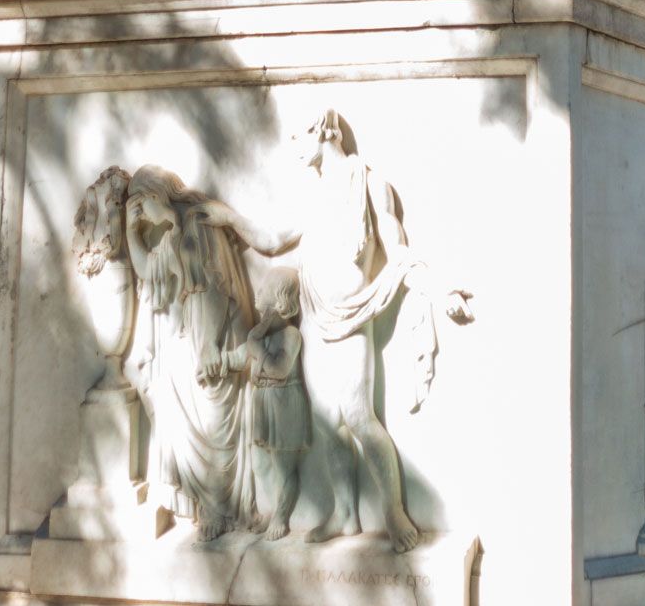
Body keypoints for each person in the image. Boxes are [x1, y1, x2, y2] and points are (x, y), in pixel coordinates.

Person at [202, 108, 472, 553]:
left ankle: (394, 512)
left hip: (351, 317)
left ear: (322, 130)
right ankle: (346, 515)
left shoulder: (370, 185)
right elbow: (271, 239)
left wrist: (440, 292)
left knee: (359, 416)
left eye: (296, 137)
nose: (292, 148)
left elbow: (398, 253)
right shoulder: (310, 197)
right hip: (314, 320)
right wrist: (229, 218)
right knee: (329, 426)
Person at [123, 165, 254, 541]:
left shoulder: (196, 226)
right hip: (193, 337)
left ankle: (221, 506)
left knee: (211, 422)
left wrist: (210, 346)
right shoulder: (171, 236)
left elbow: (213, 288)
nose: (139, 213)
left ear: (152, 196)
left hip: (214, 336)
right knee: (171, 400)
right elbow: (149, 270)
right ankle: (208, 503)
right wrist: (133, 233)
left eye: (138, 205)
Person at [208, 267, 311, 541]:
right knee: (261, 465)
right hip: (263, 403)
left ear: (279, 300)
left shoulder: (291, 336)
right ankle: (266, 508)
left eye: (263, 289)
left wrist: (258, 348)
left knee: (284, 466)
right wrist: (221, 362)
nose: (257, 293)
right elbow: (242, 357)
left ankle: (281, 516)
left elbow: (279, 368)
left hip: (284, 402)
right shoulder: (259, 337)